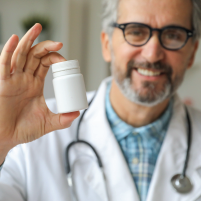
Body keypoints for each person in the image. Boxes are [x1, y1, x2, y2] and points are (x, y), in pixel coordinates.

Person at [0, 0, 201, 200]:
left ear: (192, 52)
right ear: (107, 44)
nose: (152, 54)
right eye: (136, 31)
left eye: (173, 35)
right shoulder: (28, 136)